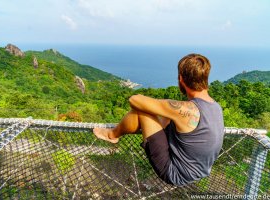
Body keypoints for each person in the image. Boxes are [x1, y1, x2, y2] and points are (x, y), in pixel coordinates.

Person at [93, 54, 224, 186]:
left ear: (181, 79)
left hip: (175, 173)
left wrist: (164, 103)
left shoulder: (187, 110)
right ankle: (116, 133)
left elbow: (134, 100)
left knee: (142, 111)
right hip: (200, 171)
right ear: (205, 77)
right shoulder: (216, 107)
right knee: (165, 116)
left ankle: (112, 135)